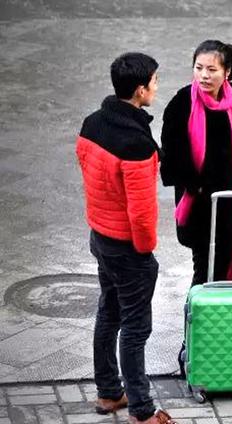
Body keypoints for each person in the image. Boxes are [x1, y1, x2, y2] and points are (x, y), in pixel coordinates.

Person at [76, 53, 176, 424]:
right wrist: (145, 251)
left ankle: (108, 393)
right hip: (127, 248)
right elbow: (142, 211)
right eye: (154, 81)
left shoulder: (92, 123)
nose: (156, 87)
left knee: (109, 313)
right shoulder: (135, 144)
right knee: (135, 329)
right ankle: (142, 410)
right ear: (139, 90)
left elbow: (87, 168)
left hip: (100, 236)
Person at [160, 40, 232, 286]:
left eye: (212, 69)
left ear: (227, 72)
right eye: (199, 67)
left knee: (227, 257)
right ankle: (198, 318)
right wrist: (196, 186)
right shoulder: (182, 102)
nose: (204, 75)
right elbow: (171, 155)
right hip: (201, 203)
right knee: (204, 266)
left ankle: (220, 315)